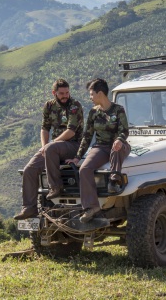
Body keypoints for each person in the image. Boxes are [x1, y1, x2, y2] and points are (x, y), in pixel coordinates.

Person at [14, 79, 84, 220]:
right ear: (54, 93)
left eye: (67, 92)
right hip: (54, 148)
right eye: (61, 93)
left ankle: (56, 187)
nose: (65, 96)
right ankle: (29, 208)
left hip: (73, 145)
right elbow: (45, 128)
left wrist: (51, 144)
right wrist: (44, 146)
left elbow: (71, 132)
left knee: (51, 148)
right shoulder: (49, 106)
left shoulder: (74, 106)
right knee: (29, 169)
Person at [66, 78, 130, 223]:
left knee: (116, 148)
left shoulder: (118, 110)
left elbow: (124, 131)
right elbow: (87, 137)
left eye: (91, 94)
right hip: (101, 147)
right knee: (84, 169)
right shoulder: (93, 113)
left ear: (100, 93)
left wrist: (119, 139)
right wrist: (77, 157)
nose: (90, 97)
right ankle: (91, 207)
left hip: (119, 145)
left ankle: (114, 179)